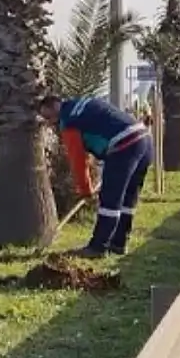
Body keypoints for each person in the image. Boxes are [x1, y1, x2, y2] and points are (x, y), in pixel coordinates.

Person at [38, 94, 152, 258]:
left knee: (110, 199)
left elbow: (78, 160)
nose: (49, 122)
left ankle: (97, 247)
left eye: (48, 117)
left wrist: (85, 190)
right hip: (144, 139)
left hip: (124, 144)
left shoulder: (68, 121)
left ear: (55, 106)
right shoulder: (82, 104)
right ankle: (118, 244)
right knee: (128, 198)